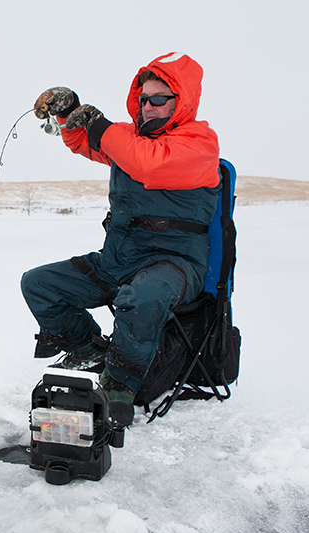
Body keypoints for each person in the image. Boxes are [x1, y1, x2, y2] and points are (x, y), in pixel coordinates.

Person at [21, 52, 221, 426]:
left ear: (183, 101)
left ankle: (120, 386)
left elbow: (150, 163)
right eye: (143, 99)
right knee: (39, 284)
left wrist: (100, 126)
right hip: (119, 260)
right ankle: (87, 348)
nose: (148, 106)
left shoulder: (199, 144)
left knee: (142, 296)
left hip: (174, 264)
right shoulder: (131, 139)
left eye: (159, 98)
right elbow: (89, 143)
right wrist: (70, 117)